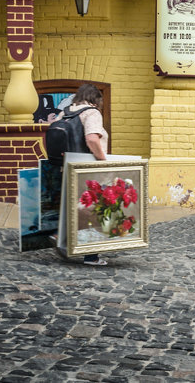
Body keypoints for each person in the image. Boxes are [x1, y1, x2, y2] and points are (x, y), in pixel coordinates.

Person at [52, 84, 109, 266]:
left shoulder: (66, 112)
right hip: (87, 168)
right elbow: (92, 139)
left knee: (72, 206)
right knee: (91, 211)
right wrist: (102, 160)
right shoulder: (91, 113)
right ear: (96, 99)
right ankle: (91, 256)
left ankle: (60, 237)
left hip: (67, 166)